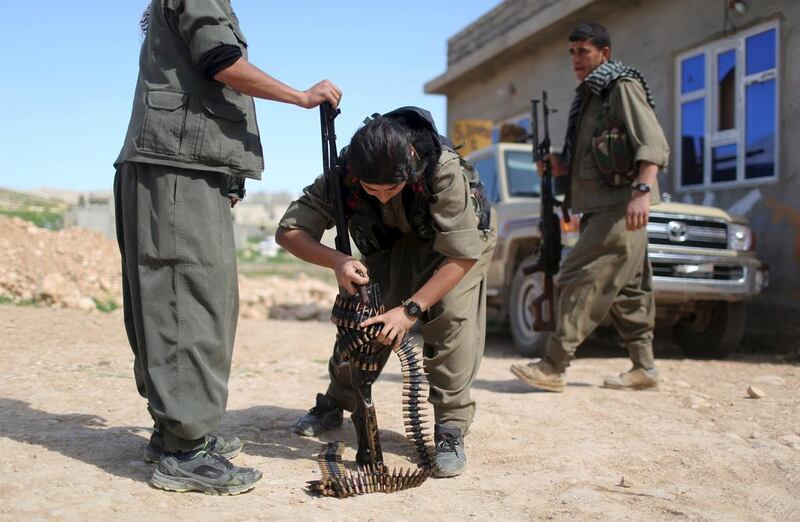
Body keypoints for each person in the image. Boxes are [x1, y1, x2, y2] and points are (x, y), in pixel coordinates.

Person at [114, 0, 341, 495]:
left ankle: (176, 431)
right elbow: (222, 62)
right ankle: (184, 452)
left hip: (187, 164)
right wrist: (301, 97)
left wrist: (232, 171)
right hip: (178, 166)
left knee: (194, 300)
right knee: (187, 303)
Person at [276, 107, 496, 478]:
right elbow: (289, 231)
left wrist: (411, 310)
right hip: (389, 244)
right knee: (365, 318)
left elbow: (462, 254)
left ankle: (451, 426)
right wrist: (337, 260)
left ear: (410, 165)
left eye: (391, 189)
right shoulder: (344, 174)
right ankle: (337, 400)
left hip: (458, 249)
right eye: (370, 189)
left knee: (452, 317)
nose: (379, 198)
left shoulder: (441, 169)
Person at [510, 22, 669, 392]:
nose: (576, 59)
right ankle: (644, 367)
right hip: (604, 206)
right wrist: (559, 165)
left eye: (584, 51)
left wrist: (643, 191)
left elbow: (653, 143)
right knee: (630, 290)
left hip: (621, 207)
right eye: (572, 52)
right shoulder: (592, 97)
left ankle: (553, 364)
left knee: (577, 277)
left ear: (604, 54)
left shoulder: (620, 87)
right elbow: (597, 155)